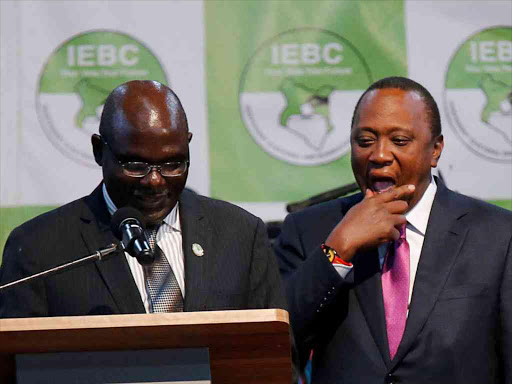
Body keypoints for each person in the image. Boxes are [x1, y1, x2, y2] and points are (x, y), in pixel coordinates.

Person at [274, 77, 511, 384]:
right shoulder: (308, 229)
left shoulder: (497, 236)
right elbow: (274, 342)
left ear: (435, 149)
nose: (380, 155)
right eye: (365, 141)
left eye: (399, 141)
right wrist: (336, 253)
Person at [0, 80, 285, 317]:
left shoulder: (240, 235)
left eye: (173, 164)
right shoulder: (39, 249)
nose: (155, 181)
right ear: (100, 151)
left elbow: (278, 356)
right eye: (135, 166)